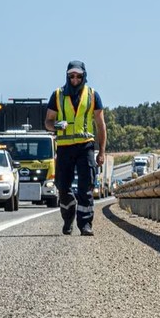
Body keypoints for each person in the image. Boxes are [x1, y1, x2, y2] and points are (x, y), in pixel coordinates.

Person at [45, 60, 107, 236]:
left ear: (84, 76)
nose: (75, 79)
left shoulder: (93, 95)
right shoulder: (57, 95)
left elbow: (101, 126)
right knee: (63, 187)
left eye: (78, 76)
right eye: (71, 76)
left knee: (86, 185)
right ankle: (68, 217)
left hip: (85, 146)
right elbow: (47, 122)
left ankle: (85, 224)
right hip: (64, 147)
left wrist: (101, 152)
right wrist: (56, 125)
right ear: (67, 76)